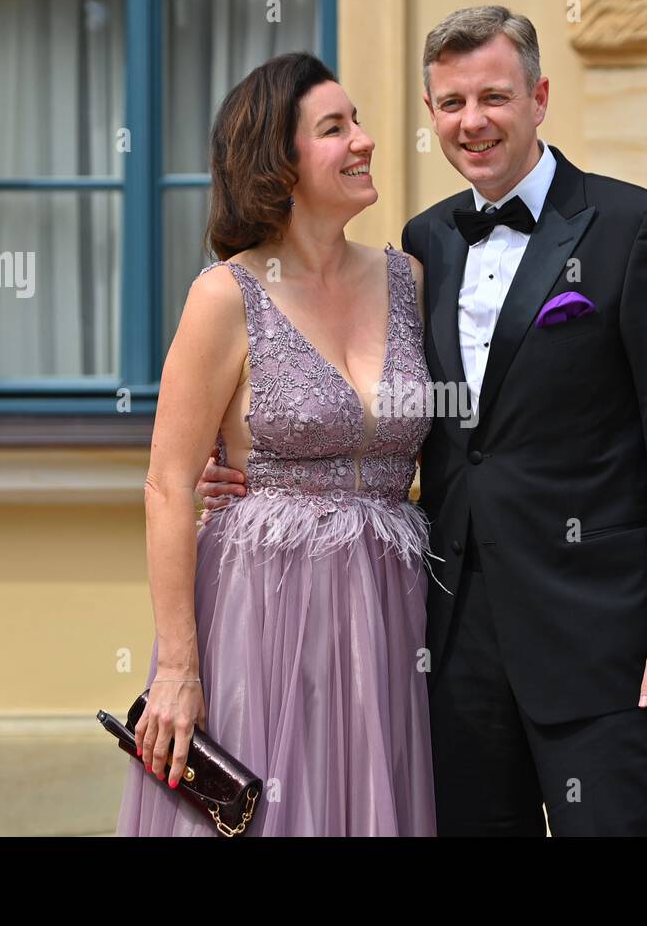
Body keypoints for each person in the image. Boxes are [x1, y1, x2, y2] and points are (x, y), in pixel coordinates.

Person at [201, 5, 647, 836]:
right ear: (431, 114)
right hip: (446, 645)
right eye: (451, 104)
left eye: (494, 97)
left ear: (540, 97)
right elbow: (381, 416)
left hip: (605, 645)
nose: (472, 122)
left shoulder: (638, 230)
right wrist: (243, 461)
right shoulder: (422, 247)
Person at [116, 51, 436, 836]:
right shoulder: (225, 295)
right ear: (279, 163)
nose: (364, 140)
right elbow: (166, 485)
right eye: (335, 128)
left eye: (356, 121)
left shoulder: (410, 280)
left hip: (391, 610)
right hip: (262, 610)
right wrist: (179, 670)